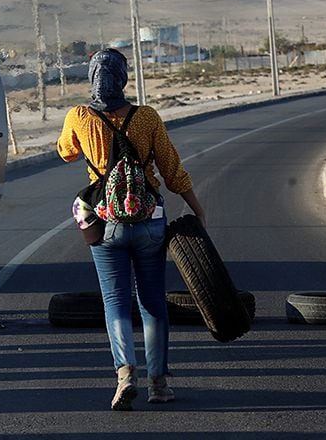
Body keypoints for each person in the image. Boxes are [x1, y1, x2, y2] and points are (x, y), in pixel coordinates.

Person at [57, 48, 206, 411]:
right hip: (148, 218)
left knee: (116, 302)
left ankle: (125, 374)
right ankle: (159, 384)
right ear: (123, 78)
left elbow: (66, 153)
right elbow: (171, 170)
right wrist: (198, 209)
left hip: (105, 221)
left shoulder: (79, 116)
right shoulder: (147, 117)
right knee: (153, 303)